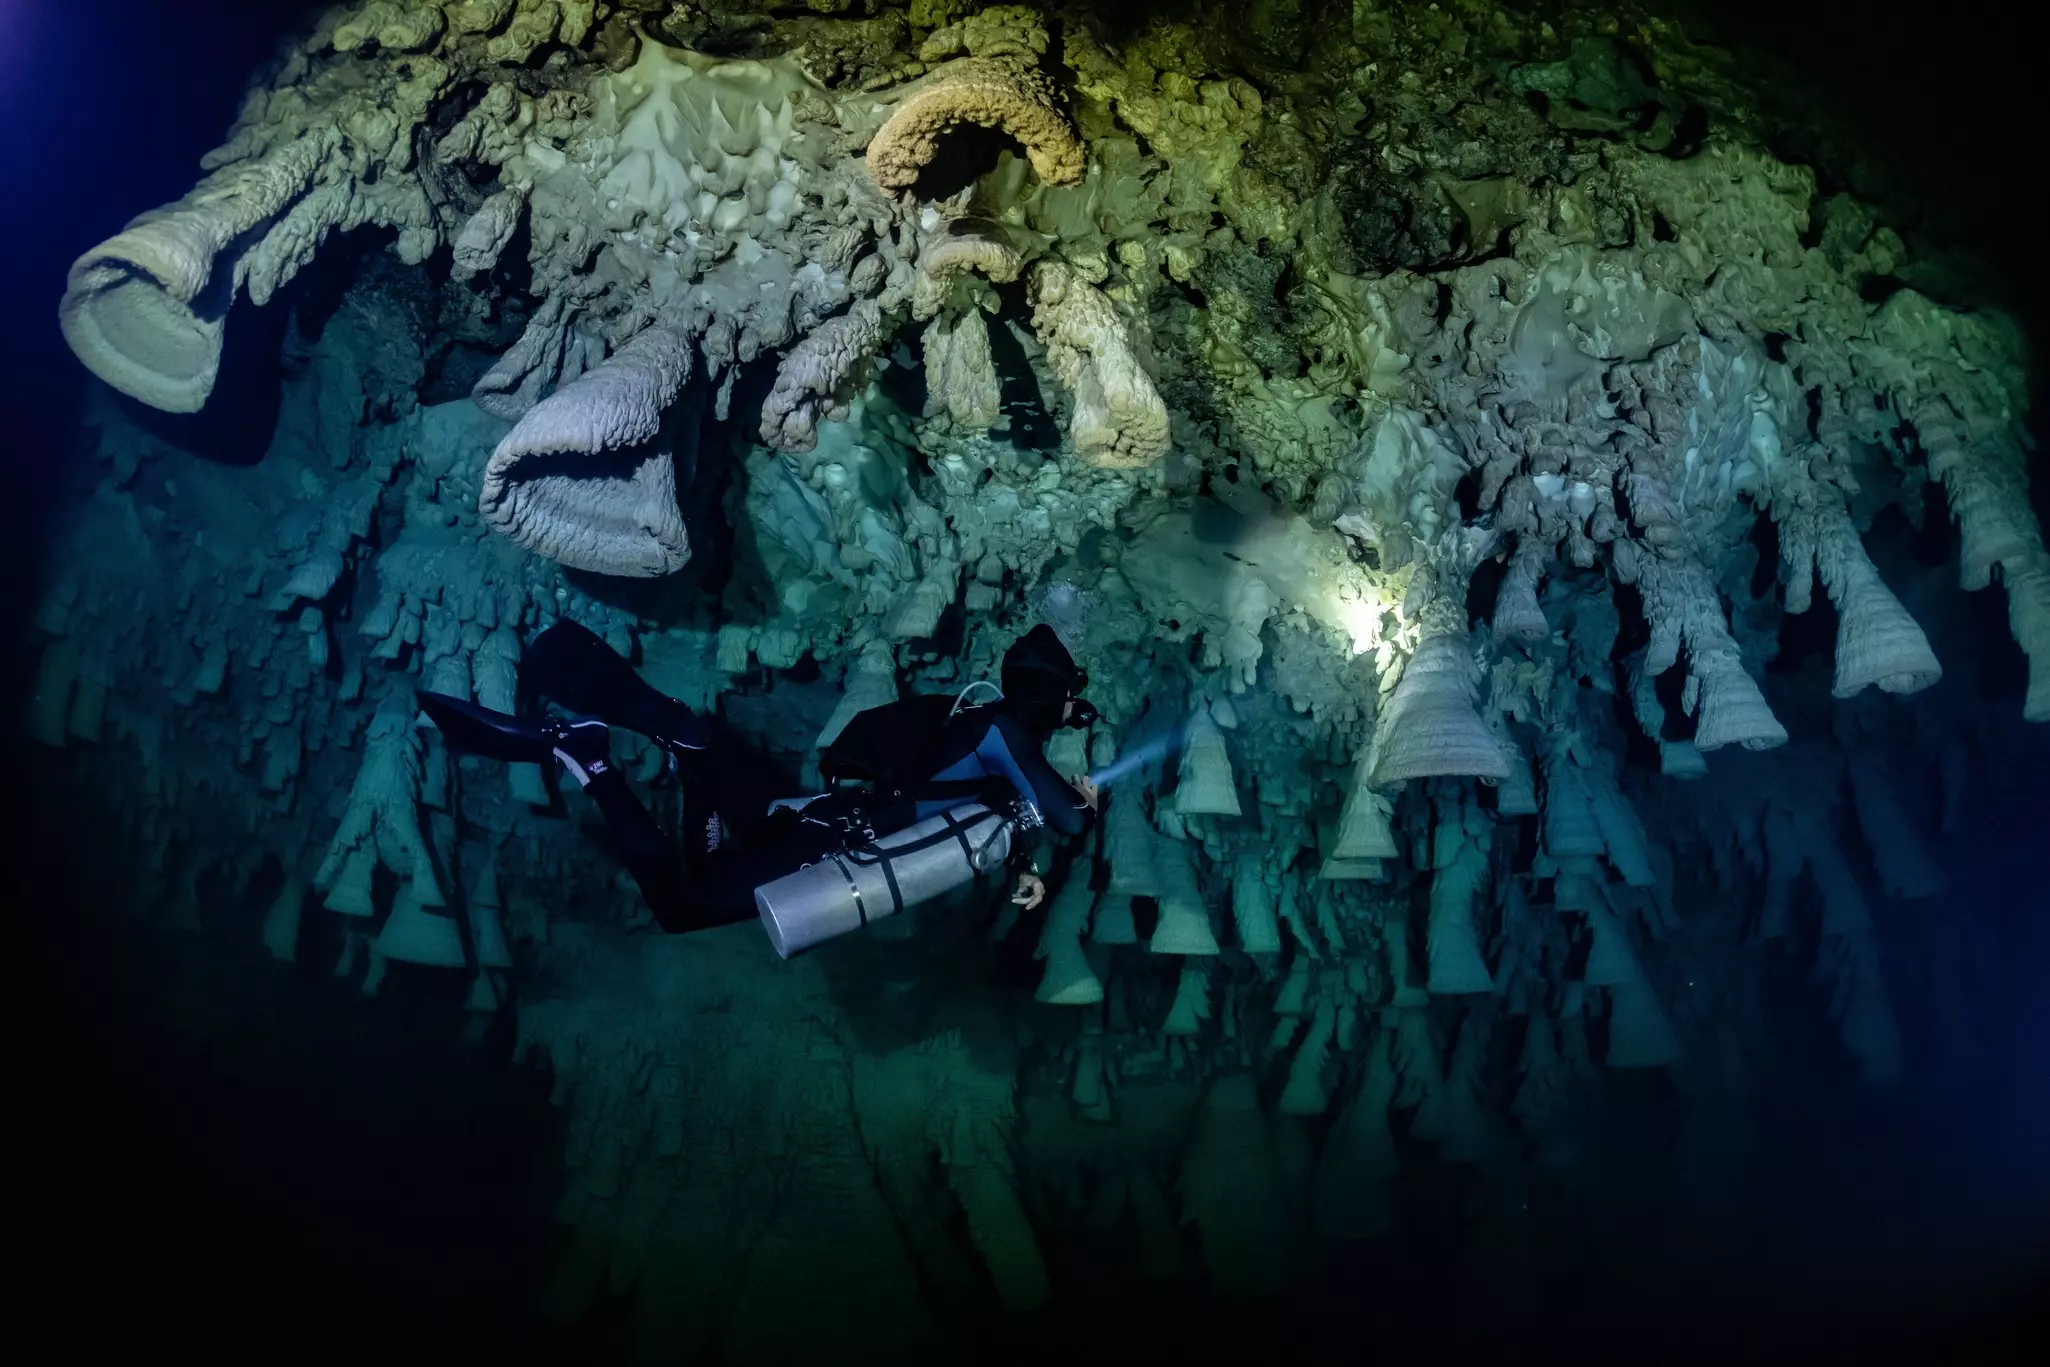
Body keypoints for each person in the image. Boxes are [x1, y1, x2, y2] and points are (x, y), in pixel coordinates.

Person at [417, 621, 1100, 939]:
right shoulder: (1005, 730)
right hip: (836, 838)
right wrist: (1084, 809)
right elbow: (1063, 817)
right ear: (1053, 693)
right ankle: (588, 757)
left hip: (832, 824)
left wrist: (1020, 866)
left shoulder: (986, 727)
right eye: (1075, 695)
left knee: (707, 865)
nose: (1079, 709)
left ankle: (691, 747)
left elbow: (969, 801)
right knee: (684, 909)